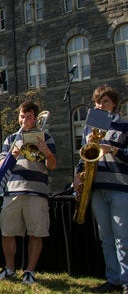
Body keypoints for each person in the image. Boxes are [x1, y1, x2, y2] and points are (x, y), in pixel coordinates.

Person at [0, 101, 56, 285]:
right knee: (8, 232)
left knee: (36, 233)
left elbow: (52, 166)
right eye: (21, 116)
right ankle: (10, 269)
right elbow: (2, 166)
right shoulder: (11, 139)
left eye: (28, 117)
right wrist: (13, 153)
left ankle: (30, 271)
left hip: (37, 191)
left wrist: (47, 153)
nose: (24, 120)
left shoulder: (45, 137)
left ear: (35, 118)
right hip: (12, 191)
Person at [72, 86, 128, 293]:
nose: (100, 105)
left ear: (114, 103)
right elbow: (84, 154)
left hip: (120, 186)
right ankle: (112, 279)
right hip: (96, 186)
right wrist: (77, 174)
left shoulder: (124, 125)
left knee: (123, 238)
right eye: (97, 102)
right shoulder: (90, 128)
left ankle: (126, 281)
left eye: (105, 101)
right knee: (106, 238)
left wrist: (112, 149)